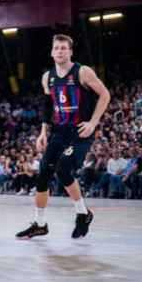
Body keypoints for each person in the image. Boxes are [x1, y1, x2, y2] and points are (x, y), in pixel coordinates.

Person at [16, 35, 110, 240]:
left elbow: (105, 95)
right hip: (59, 131)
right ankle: (40, 225)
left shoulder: (83, 72)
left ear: (70, 52)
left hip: (80, 132)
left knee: (64, 168)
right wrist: (43, 131)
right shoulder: (47, 77)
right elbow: (48, 105)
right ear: (51, 52)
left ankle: (82, 214)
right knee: (42, 177)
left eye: (63, 48)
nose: (59, 51)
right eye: (56, 48)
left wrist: (93, 122)